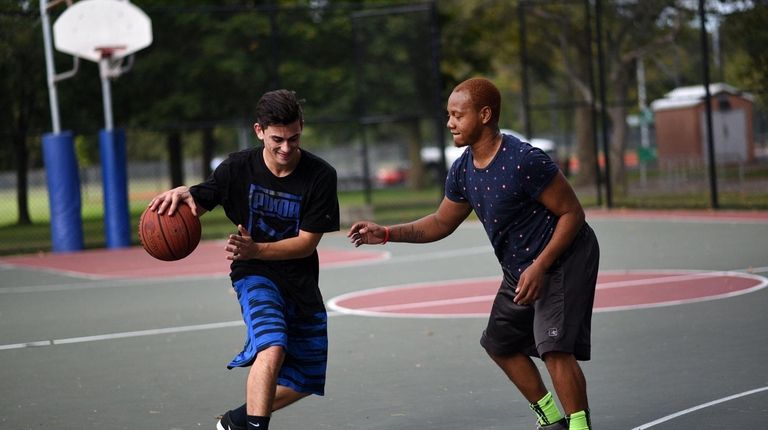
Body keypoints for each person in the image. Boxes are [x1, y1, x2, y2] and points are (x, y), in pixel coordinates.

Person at [347, 78, 599, 430]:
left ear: (484, 115)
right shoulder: (463, 169)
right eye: (448, 115)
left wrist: (541, 266)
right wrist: (387, 233)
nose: (450, 123)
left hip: (563, 257)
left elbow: (573, 213)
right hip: (520, 268)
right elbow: (440, 222)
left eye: (457, 115)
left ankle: (579, 426)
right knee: (500, 343)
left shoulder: (524, 160)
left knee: (553, 346)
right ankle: (551, 419)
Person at [149, 89, 340, 430]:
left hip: (299, 280)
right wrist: (182, 195)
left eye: (294, 138)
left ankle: (236, 422)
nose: (286, 148)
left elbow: (307, 244)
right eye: (277, 139)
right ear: (259, 131)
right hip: (254, 275)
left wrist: (257, 248)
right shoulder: (237, 168)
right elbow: (199, 199)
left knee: (307, 378)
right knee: (272, 346)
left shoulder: (320, 175)